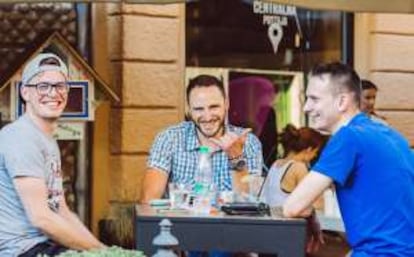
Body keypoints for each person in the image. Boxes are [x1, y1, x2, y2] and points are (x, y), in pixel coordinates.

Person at [283, 62, 414, 256]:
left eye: (314, 99)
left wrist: (308, 212)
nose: (306, 107)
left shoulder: (348, 137)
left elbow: (292, 207)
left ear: (342, 101)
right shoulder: (391, 135)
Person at [0, 53, 105, 256]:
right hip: (20, 250)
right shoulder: (21, 138)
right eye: (43, 86)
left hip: (44, 245)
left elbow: (61, 210)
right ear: (25, 92)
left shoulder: (46, 140)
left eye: (60, 86)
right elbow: (42, 218)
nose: (53, 93)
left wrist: (105, 249)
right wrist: (100, 251)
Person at [140, 74, 262, 203]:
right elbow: (148, 201)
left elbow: (249, 204)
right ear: (189, 110)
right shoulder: (169, 139)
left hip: (228, 223)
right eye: (199, 109)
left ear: (226, 104)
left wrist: (236, 157)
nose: (207, 116)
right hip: (182, 222)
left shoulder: (248, 142)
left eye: (213, 107)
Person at [261, 124, 327, 210]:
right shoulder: (298, 167)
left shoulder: (276, 164)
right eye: (315, 152)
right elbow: (315, 204)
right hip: (290, 221)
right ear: (309, 149)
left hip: (273, 218)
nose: (314, 156)